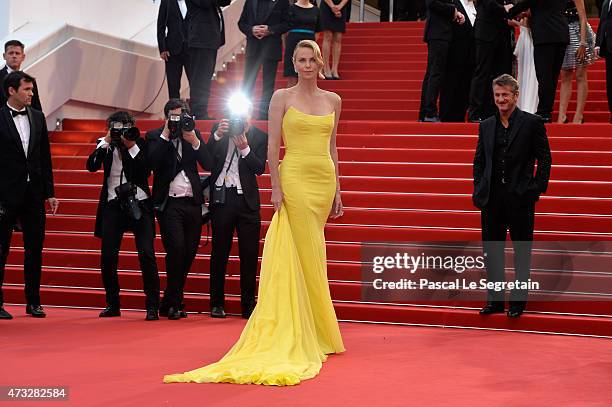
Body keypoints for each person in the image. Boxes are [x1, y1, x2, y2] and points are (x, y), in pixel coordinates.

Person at [164, 40, 345, 385]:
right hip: (293, 178)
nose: (307, 65)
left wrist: (338, 187)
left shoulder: (333, 100)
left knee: (313, 254)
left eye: (312, 60)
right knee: (303, 251)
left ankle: (319, 329)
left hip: (322, 180)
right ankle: (307, 330)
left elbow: (332, 146)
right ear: (293, 63)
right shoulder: (282, 98)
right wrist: (276, 187)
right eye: (301, 60)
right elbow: (274, 146)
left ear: (320, 63)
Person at [472, 74, 552, 318]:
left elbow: (545, 158)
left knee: (521, 252)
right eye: (497, 95)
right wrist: (479, 188)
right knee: (492, 251)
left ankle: (517, 302)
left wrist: (536, 188)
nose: (501, 99)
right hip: (492, 199)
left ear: (516, 96)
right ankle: (495, 301)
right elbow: (479, 161)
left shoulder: (532, 123)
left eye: (505, 95)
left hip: (521, 199)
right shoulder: (486, 125)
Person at [86, 112, 160, 320]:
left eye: (126, 126)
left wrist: (131, 146)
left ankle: (152, 305)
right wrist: (107, 141)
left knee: (146, 253)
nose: (122, 131)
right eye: (118, 127)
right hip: (112, 204)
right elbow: (91, 166)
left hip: (140, 202)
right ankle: (113, 303)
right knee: (108, 256)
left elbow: (144, 171)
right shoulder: (106, 144)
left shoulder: (140, 144)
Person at [0, 71, 58, 320]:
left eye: (32, 90)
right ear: (12, 90)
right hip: (4, 195)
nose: (31, 94)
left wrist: (50, 192)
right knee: (1, 249)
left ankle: (33, 301)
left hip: (33, 194)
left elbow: (44, 157)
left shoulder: (37, 116)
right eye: (27, 90)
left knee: (34, 249)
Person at [147, 99, 211, 320]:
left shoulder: (192, 133)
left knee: (189, 252)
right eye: (174, 116)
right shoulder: (156, 136)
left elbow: (209, 163)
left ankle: (169, 299)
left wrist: (194, 141)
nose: (179, 120)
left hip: (192, 203)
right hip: (169, 204)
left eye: (183, 115)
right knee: (176, 250)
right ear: (166, 117)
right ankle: (175, 302)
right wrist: (166, 134)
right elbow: (152, 163)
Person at [207, 109, 268, 319]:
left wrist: (245, 149)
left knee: (249, 255)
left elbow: (259, 168)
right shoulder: (220, 130)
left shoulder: (260, 136)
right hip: (223, 200)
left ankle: (248, 305)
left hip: (247, 202)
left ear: (250, 116)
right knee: (219, 252)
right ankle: (216, 303)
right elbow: (206, 161)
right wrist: (217, 136)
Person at [508, 0, 569, 123]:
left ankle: (544, 112)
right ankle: (546, 111)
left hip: (545, 35)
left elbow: (526, 3)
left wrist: (509, 12)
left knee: (544, 76)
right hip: (561, 34)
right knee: (552, 77)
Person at [238, 0, 290, 120]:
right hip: (253, 47)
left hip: (271, 47)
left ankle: (264, 114)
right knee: (247, 82)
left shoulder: (282, 2)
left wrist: (270, 29)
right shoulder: (250, 1)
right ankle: (242, 114)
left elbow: (287, 23)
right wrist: (251, 30)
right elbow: (241, 23)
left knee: (268, 84)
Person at [418, 0, 466, 122]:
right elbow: (432, 3)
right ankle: (429, 112)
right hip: (439, 33)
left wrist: (455, 13)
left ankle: (425, 112)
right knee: (435, 74)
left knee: (432, 74)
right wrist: (453, 10)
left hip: (440, 32)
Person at [467, 0, 514, 122]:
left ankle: (494, 111)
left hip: (502, 33)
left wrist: (513, 9)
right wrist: (505, 8)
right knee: (482, 73)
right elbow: (489, 4)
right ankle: (475, 112)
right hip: (486, 32)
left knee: (500, 74)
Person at [185, 0, 231, 120]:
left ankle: (201, 111)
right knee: (199, 79)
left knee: (205, 78)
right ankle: (198, 112)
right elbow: (204, 3)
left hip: (210, 40)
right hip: (200, 39)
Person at [558, 0, 595, 124]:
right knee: (565, 75)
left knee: (580, 75)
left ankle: (579, 115)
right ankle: (561, 115)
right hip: (563, 33)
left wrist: (583, 43)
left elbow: (583, 17)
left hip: (579, 34)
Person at [440, 0, 476, 122]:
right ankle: (446, 115)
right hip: (454, 52)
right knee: (451, 83)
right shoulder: (453, 4)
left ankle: (460, 114)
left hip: (471, 54)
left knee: (465, 84)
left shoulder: (476, 6)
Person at [157, 0, 190, 99]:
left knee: (195, 84)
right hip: (172, 51)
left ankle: (196, 113)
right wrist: (162, 48)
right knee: (173, 86)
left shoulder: (195, 2)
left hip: (192, 50)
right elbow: (160, 26)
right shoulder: (166, 2)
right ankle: (174, 113)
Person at [284, 0, 321, 88]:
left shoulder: (316, 10)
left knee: (309, 75)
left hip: (310, 43)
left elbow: (318, 31)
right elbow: (285, 31)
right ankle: (290, 100)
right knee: (292, 75)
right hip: (293, 43)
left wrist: (312, 45)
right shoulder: (290, 8)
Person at [0, 40, 42, 111]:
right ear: (4, 56)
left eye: (17, 53)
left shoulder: (30, 81)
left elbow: (36, 107)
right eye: (11, 53)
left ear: (23, 57)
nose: (14, 56)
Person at [514, 14, 539, 114]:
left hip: (530, 36)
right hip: (527, 36)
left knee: (530, 73)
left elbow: (527, 21)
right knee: (525, 73)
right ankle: (526, 105)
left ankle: (527, 106)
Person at [320, 0, 350, 79]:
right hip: (327, 6)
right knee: (328, 36)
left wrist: (340, 6)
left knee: (338, 37)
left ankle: (334, 69)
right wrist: (332, 6)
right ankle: (326, 67)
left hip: (341, 7)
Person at [596, 0, 612, 123]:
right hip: (608, 48)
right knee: (610, 84)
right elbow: (603, 22)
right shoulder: (606, 2)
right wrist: (598, 43)